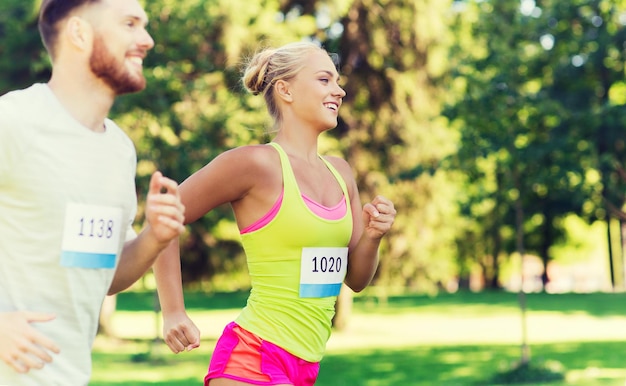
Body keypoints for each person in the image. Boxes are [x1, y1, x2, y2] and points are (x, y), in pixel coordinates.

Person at [153, 41, 396, 386]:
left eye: (338, 81)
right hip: (253, 355)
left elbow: (356, 279)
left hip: (306, 366)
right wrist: (173, 310)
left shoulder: (341, 173)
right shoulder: (255, 164)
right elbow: (164, 214)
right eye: (325, 80)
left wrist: (373, 237)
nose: (339, 91)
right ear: (285, 90)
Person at [0, 0, 186, 385]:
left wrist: (155, 237)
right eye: (131, 24)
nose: (147, 40)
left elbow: (107, 275)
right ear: (80, 33)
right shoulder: (14, 121)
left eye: (145, 26)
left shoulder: (119, 150)